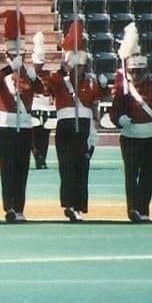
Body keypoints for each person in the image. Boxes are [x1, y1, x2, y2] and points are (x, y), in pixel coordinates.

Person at [40, 21, 109, 222]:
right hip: (66, 126)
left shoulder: (89, 81)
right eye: (75, 66)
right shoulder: (61, 81)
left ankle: (79, 205)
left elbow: (99, 96)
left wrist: (104, 85)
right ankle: (68, 205)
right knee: (66, 166)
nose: (78, 70)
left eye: (81, 66)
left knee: (82, 167)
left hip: (84, 126)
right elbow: (48, 86)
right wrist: (63, 70)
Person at [110, 23, 152, 222]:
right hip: (130, 136)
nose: (137, 75)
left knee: (148, 174)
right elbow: (115, 110)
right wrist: (120, 119)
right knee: (131, 174)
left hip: (150, 135)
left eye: (140, 71)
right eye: (133, 71)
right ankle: (133, 209)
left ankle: (143, 209)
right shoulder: (123, 89)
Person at [0, 11, 44, 222]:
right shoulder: (2, 73)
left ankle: (19, 208)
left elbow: (42, 90)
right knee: (7, 168)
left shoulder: (28, 73)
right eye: (12, 56)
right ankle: (8, 206)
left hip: (24, 126)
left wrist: (30, 72)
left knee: (22, 168)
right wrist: (11, 68)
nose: (16, 58)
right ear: (7, 56)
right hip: (5, 127)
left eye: (19, 55)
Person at [29, 32, 55, 169]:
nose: (38, 66)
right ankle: (37, 154)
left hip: (46, 107)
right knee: (34, 133)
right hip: (34, 106)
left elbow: (52, 91)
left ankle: (42, 157)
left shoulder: (48, 76)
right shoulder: (29, 75)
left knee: (45, 134)